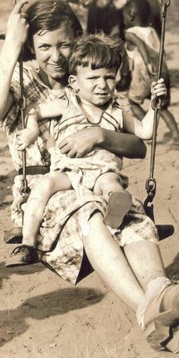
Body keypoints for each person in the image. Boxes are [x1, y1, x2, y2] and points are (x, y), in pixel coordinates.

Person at [0, 0, 179, 352]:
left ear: (79, 39)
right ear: (31, 47)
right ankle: (149, 310)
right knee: (91, 213)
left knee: (134, 220)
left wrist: (100, 135)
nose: (55, 56)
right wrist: (12, 44)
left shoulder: (98, 79)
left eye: (64, 45)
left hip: (101, 184)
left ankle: (161, 298)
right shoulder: (23, 83)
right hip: (48, 197)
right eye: (44, 47)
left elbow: (138, 147)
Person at [12, 33, 167, 265]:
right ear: (74, 83)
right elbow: (33, 109)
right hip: (69, 171)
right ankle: (27, 242)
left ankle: (117, 216)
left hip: (103, 172)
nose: (103, 85)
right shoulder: (67, 103)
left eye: (109, 78)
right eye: (93, 78)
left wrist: (155, 105)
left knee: (112, 186)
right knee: (44, 185)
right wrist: (32, 130)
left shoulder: (117, 111)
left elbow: (145, 132)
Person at [122, 0, 179, 146]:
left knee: (131, 102)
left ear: (130, 16)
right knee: (161, 106)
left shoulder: (130, 33)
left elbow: (140, 46)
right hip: (162, 71)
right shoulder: (152, 31)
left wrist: (147, 62)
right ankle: (176, 135)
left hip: (144, 72)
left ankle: (147, 125)